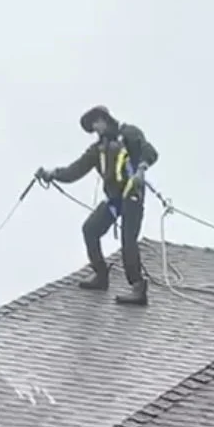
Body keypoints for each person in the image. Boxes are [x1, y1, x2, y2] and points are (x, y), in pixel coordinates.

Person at [37, 106, 159, 306]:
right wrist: (52, 174)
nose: (95, 129)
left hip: (132, 194)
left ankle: (138, 288)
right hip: (114, 200)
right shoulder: (98, 149)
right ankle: (101, 276)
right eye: (92, 127)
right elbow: (75, 170)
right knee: (90, 229)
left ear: (104, 119)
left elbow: (150, 152)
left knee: (128, 240)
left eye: (95, 123)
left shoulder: (129, 133)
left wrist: (141, 170)